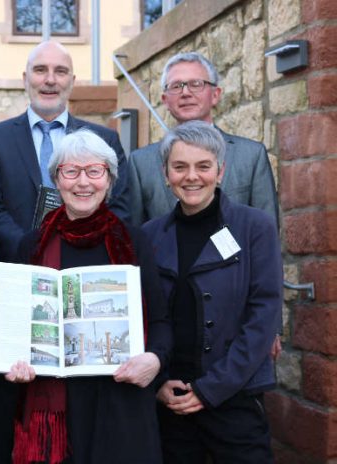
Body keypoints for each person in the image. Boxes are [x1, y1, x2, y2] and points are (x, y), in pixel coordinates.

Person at [4, 129, 172, 463]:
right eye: (71, 171)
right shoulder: (31, 245)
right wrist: (13, 359)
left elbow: (161, 321)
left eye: (94, 171)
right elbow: (17, 326)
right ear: (56, 179)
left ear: (109, 180)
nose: (83, 182)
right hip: (56, 402)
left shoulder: (133, 242)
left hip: (120, 400)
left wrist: (154, 359)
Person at [141, 121, 282, 463]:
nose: (192, 176)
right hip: (171, 397)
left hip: (235, 395)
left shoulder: (254, 227)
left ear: (220, 171)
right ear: (165, 173)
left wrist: (210, 389)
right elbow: (143, 315)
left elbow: (264, 313)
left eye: (203, 166)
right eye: (180, 167)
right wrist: (158, 382)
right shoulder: (148, 235)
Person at [0, 39, 129, 263]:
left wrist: (85, 249)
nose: (50, 80)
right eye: (40, 70)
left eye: (61, 71)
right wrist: (32, 248)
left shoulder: (105, 139)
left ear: (72, 81)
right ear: (25, 79)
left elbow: (120, 205)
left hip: (89, 262)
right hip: (19, 264)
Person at [126, 52, 278, 228]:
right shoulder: (141, 163)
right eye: (176, 86)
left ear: (215, 94)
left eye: (195, 84)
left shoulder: (251, 155)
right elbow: (134, 237)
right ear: (165, 101)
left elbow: (268, 228)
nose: (185, 93)